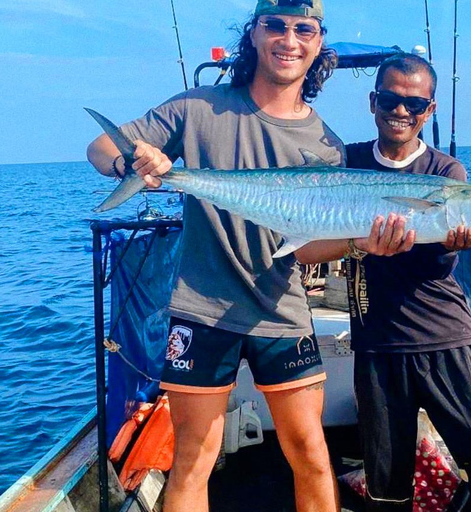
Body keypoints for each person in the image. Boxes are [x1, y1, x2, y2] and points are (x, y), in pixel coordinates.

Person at [87, 1, 347, 510]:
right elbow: (99, 147)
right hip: (201, 310)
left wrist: (363, 241)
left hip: (282, 310)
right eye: (275, 25)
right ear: (254, 35)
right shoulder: (198, 108)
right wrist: (130, 159)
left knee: (312, 456)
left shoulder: (326, 144)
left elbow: (310, 246)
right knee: (193, 460)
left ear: (317, 44)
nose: (288, 39)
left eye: (303, 29)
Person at [296, 54, 471, 511]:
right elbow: (307, 251)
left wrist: (453, 244)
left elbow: (435, 267)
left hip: (446, 340)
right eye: (390, 98)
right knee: (387, 485)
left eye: (415, 103)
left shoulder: (447, 174)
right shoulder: (350, 161)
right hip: (378, 348)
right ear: (373, 101)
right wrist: (357, 244)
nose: (401, 111)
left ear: (429, 110)